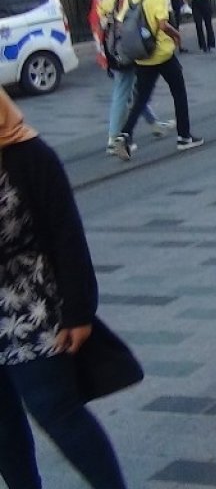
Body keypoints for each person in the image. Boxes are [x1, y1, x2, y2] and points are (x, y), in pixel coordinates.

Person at [0, 93, 127, 489]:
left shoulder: (28, 154)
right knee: (3, 428)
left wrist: (78, 310)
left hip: (31, 304)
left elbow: (66, 233)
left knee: (56, 410)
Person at [110, 0, 203, 160]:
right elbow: (162, 24)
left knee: (141, 98)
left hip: (142, 56)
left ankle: (125, 134)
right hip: (161, 52)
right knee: (179, 92)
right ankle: (184, 136)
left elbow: (121, 21)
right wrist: (177, 35)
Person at [90, 0, 172, 153]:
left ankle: (154, 124)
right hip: (127, 48)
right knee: (124, 89)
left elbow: (94, 21)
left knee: (134, 88)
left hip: (109, 47)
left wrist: (101, 51)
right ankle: (114, 137)